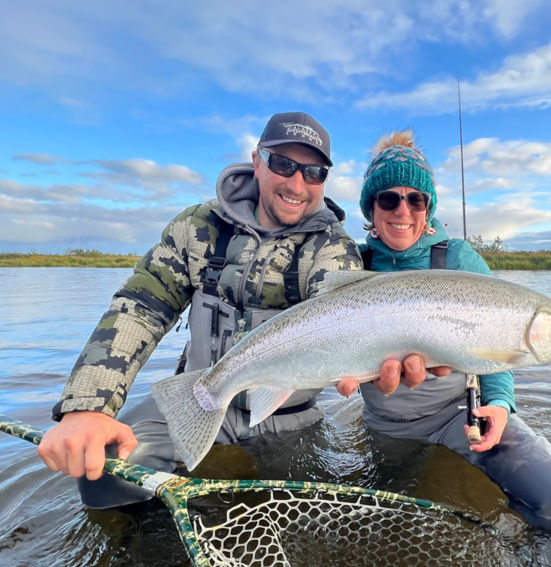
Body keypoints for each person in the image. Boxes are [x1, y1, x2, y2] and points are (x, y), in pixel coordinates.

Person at [37, 112, 434, 508]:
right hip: (195, 394)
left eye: (313, 172)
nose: (297, 183)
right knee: (108, 473)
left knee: (290, 513)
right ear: (257, 162)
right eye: (283, 164)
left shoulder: (332, 247)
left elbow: (349, 318)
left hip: (288, 418)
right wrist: (87, 407)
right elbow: (141, 307)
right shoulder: (198, 227)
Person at [351, 130, 551, 530]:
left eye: (416, 199)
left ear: (428, 207)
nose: (402, 210)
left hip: (461, 415)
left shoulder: (460, 258)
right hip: (386, 428)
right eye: (388, 198)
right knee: (389, 525)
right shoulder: (351, 264)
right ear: (370, 208)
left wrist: (499, 404)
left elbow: (499, 348)